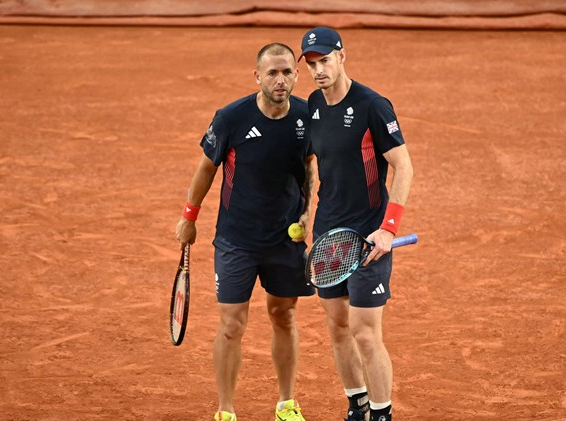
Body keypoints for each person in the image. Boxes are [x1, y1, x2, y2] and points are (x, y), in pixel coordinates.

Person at [175, 42, 315, 421]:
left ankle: (286, 404)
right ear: (257, 77)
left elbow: (310, 168)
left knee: (283, 316)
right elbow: (206, 168)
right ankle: (226, 411)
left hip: (286, 241)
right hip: (236, 240)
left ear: (296, 76)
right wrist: (190, 217)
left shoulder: (307, 116)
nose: (280, 79)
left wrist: (307, 213)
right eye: (272, 72)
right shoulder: (231, 118)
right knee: (231, 325)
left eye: (287, 72)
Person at [298, 27, 414, 421]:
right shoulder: (313, 105)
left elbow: (403, 166)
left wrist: (389, 227)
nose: (318, 70)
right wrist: (303, 213)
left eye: (325, 60)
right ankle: (357, 405)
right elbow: (308, 165)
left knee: (365, 332)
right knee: (338, 329)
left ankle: (382, 414)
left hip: (369, 237)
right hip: (329, 236)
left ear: (342, 56)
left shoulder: (372, 105)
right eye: (311, 64)